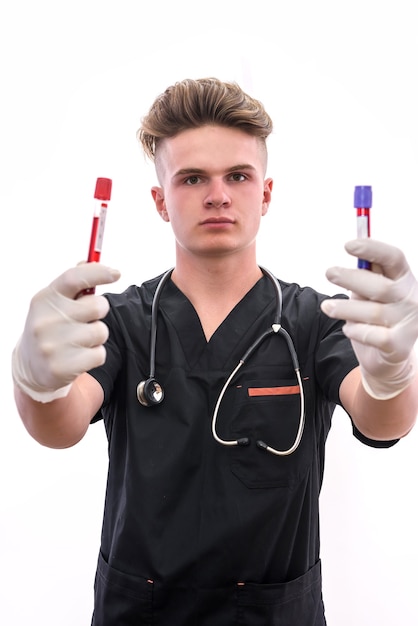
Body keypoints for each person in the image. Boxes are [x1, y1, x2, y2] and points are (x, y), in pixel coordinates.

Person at [11, 77, 418, 626]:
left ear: (266, 194)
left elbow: (383, 418)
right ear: (160, 201)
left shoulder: (317, 321)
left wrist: (394, 373)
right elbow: (57, 426)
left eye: (238, 176)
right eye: (193, 177)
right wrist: (35, 381)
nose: (218, 194)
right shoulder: (120, 322)